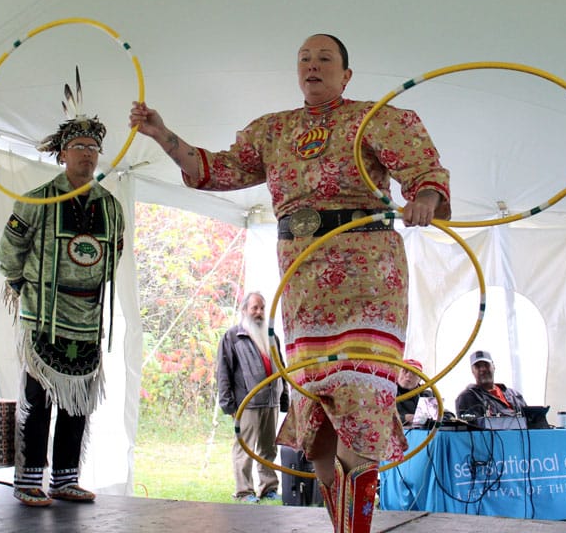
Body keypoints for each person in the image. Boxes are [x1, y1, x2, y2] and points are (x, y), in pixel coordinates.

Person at [129, 34, 451, 532]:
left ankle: (355, 530)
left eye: (325, 58)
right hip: (304, 285)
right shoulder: (273, 130)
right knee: (316, 420)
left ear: (346, 74)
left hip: (368, 277)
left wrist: (425, 198)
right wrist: (162, 134)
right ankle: (342, 524)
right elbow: (216, 170)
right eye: (304, 58)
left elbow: (423, 169)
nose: (312, 65)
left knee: (359, 397)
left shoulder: (375, 118)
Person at [0, 69, 124, 507]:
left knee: (79, 400)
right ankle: (29, 480)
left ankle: (66, 479)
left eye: (93, 148)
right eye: (79, 147)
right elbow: (9, 251)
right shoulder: (37, 200)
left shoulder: (110, 206)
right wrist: (23, 286)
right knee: (38, 399)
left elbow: (114, 256)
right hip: (45, 315)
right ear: (62, 154)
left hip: (87, 317)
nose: (87, 154)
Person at [216, 291, 290, 503]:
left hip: (271, 402)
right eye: (254, 308)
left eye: (262, 308)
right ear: (244, 310)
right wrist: (229, 406)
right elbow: (223, 373)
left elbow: (281, 368)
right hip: (246, 404)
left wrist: (284, 397)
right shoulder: (233, 337)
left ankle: (269, 488)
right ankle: (244, 491)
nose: (259, 312)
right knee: (245, 448)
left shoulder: (271, 337)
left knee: (268, 448)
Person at [455, 350, 527, 418]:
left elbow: (530, 419)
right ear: (472, 371)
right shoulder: (466, 397)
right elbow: (469, 423)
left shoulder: (514, 395)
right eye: (478, 366)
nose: (483, 369)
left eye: (486, 365)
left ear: (493, 367)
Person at [396, 359, 434, 426]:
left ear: (420, 379)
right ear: (397, 373)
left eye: (414, 373)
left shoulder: (426, 395)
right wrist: (404, 419)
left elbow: (444, 415)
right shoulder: (387, 393)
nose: (408, 375)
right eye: (405, 371)